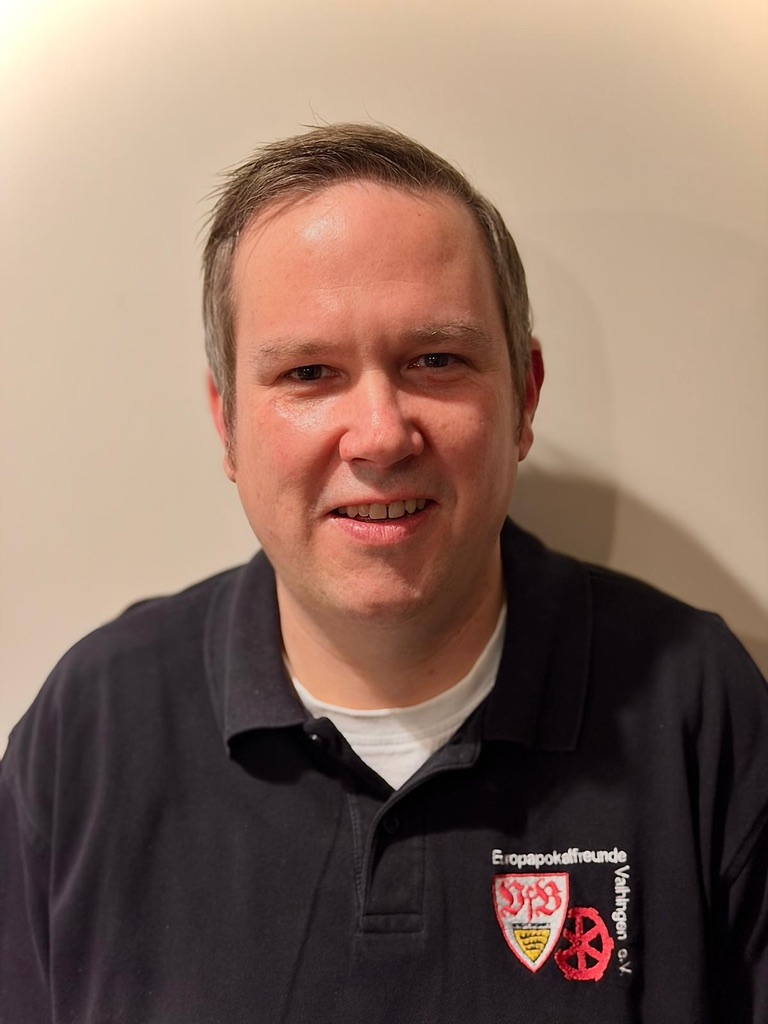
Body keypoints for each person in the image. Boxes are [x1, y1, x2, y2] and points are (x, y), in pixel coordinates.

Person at [1, 124, 766, 1024]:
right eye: (309, 372)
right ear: (227, 424)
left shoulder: (698, 707)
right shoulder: (92, 728)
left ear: (524, 397)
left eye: (435, 361)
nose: (379, 436)